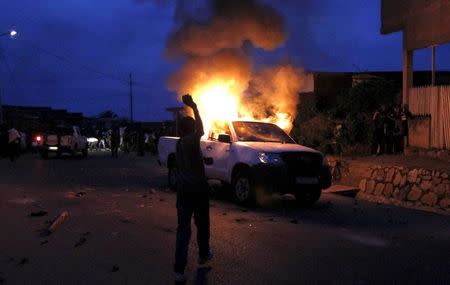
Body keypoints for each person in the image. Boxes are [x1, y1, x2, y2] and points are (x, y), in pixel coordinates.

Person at [174, 94, 212, 283]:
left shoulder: (179, 143)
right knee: (202, 225)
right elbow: (201, 129)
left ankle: (179, 271)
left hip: (183, 193)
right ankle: (203, 254)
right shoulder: (190, 141)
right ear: (190, 130)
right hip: (197, 191)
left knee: (183, 231)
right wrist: (194, 107)